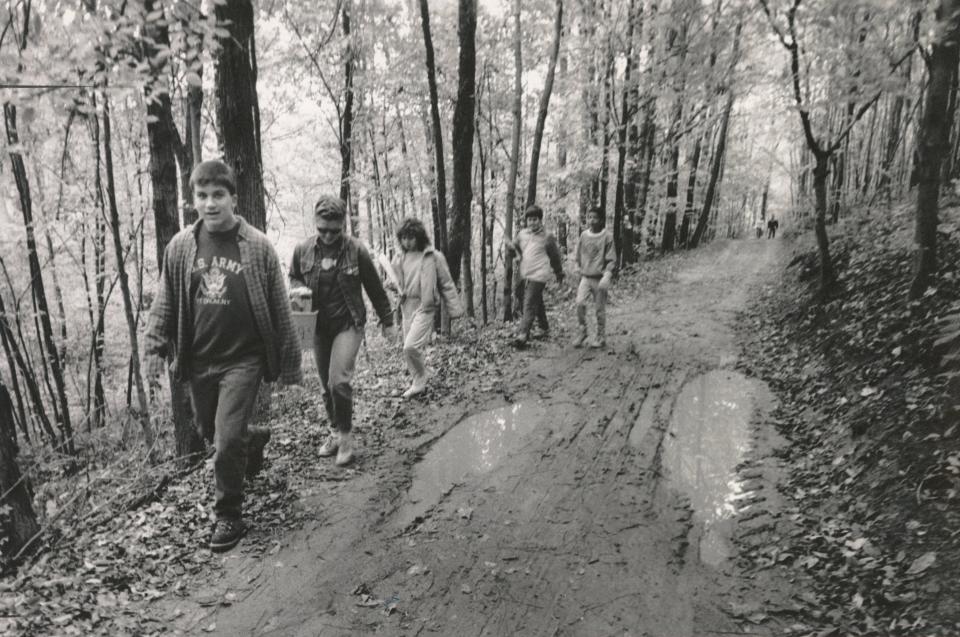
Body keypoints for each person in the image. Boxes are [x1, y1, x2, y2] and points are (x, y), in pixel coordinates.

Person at [143, 159, 303, 553]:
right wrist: (153, 347)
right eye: (202, 196)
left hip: (243, 360)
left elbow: (280, 308)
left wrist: (291, 365)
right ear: (193, 199)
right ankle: (253, 441)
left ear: (233, 198)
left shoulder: (258, 246)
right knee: (210, 432)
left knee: (226, 439)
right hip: (199, 361)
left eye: (218, 195)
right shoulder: (181, 247)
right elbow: (165, 302)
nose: (210, 204)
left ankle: (228, 514)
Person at [288, 195, 397, 467]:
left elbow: (375, 288)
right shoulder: (303, 250)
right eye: (322, 229)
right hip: (317, 326)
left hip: (348, 323)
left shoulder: (355, 250)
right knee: (326, 386)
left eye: (334, 231)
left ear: (343, 226)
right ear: (315, 224)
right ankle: (335, 431)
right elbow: (293, 276)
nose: (327, 236)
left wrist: (388, 321)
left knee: (339, 381)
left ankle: (346, 438)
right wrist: (297, 288)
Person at [390, 218, 463, 398]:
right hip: (406, 306)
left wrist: (454, 309)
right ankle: (418, 382)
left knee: (410, 347)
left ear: (419, 236)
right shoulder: (399, 258)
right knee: (408, 350)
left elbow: (446, 283)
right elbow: (393, 280)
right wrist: (392, 286)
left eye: (411, 237)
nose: (408, 242)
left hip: (425, 306)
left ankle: (420, 379)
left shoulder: (433, 256)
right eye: (404, 238)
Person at [506, 205, 564, 348]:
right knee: (531, 298)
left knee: (529, 302)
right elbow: (514, 251)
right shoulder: (522, 234)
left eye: (535, 219)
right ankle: (544, 327)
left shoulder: (547, 237)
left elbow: (555, 256)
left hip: (539, 274)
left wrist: (559, 273)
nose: (532, 223)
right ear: (526, 221)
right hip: (524, 273)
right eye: (529, 220)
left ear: (540, 220)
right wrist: (511, 249)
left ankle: (523, 335)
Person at [574, 206, 617, 349]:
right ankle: (583, 331)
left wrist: (607, 275)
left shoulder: (607, 236)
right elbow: (578, 254)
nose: (592, 221)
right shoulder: (584, 235)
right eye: (589, 217)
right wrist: (577, 266)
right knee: (580, 302)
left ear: (601, 220)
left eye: (595, 218)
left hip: (600, 278)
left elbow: (611, 259)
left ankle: (600, 336)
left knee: (599, 309)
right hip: (585, 277)